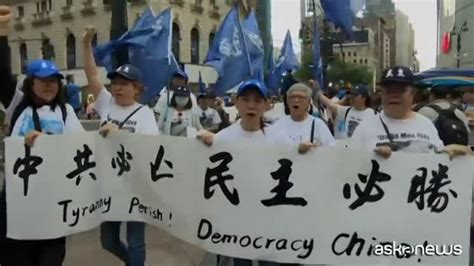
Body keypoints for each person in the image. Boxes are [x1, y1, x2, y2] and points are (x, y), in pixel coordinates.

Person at [198, 80, 299, 266]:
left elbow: (300, 165)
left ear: (267, 105)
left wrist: (309, 152)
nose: (251, 105)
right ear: (236, 102)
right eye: (245, 99)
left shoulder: (279, 138)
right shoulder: (223, 139)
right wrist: (201, 143)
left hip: (270, 223)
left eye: (257, 100)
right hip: (239, 221)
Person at [83, 26, 158, 266]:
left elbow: (150, 147)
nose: (117, 87)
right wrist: (86, 44)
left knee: (136, 240)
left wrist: (119, 134)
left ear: (137, 88)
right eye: (115, 82)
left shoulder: (145, 114)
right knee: (108, 240)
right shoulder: (106, 103)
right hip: (109, 187)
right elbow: (92, 75)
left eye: (124, 83)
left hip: (136, 187)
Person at [351, 66, 471, 159]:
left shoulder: (426, 125)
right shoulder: (365, 128)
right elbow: (349, 168)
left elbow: (439, 159)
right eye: (388, 90)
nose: (393, 96)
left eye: (400, 91)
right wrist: (372, 159)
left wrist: (457, 153)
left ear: (412, 93)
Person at [269, 83, 335, 153]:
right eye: (292, 97)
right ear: (287, 102)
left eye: (300, 97)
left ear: (308, 102)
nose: (296, 100)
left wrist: (317, 150)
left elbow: (331, 150)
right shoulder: (278, 124)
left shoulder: (318, 125)